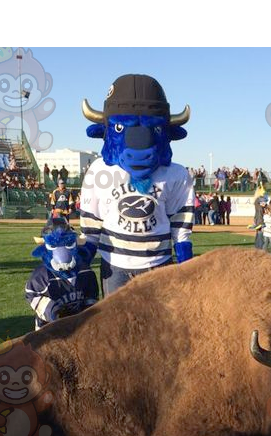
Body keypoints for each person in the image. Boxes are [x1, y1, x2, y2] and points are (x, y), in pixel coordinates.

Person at [78, 73, 194, 296]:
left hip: (159, 263)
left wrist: (185, 260)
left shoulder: (176, 173)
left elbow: (180, 225)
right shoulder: (99, 170)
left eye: (155, 130)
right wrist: (83, 255)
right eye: (120, 128)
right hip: (115, 265)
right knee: (118, 329)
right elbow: (92, 224)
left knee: (161, 328)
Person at [25, 221, 99, 330]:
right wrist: (52, 310)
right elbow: (32, 294)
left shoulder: (86, 272)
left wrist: (88, 313)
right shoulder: (41, 275)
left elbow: (91, 296)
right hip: (49, 328)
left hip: (79, 325)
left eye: (68, 244)